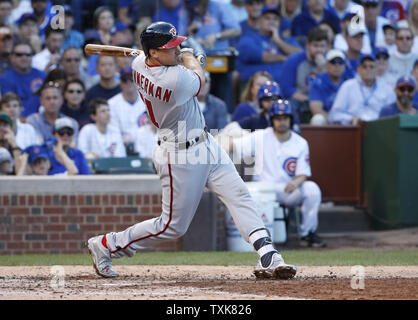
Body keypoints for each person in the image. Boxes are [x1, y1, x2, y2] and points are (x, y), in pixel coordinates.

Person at [86, 21, 297, 280]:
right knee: (171, 227)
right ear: (154, 53)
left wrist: (178, 54)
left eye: (177, 45)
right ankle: (107, 245)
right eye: (171, 47)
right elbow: (201, 77)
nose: (177, 49)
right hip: (179, 155)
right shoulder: (173, 80)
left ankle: (268, 254)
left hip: (205, 142)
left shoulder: (139, 63)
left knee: (239, 193)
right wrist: (191, 57)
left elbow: (163, 59)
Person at [231, 100, 326, 247]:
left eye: (285, 118)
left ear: (291, 119)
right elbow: (234, 147)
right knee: (251, 192)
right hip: (262, 189)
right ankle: (255, 239)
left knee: (312, 189)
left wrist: (295, 182)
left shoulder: (300, 142)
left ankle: (308, 233)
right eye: (278, 118)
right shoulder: (260, 136)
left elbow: (303, 173)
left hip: (286, 189)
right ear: (272, 120)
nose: (281, 122)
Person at [236, 6, 302, 83]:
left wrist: (278, 41)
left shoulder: (287, 40)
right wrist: (284, 58)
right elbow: (256, 55)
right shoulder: (248, 38)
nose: (272, 21)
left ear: (279, 23)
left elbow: (300, 55)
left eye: (275, 19)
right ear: (259, 21)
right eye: (267, 18)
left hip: (284, 84)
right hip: (256, 84)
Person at [277, 27, 328, 123]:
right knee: (290, 105)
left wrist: (323, 69)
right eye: (315, 46)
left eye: (322, 46)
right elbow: (287, 89)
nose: (319, 50)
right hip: (300, 99)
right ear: (308, 45)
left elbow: (330, 88)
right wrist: (311, 100)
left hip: (321, 101)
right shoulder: (293, 60)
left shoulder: (330, 63)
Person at [328, 54, 396, 124]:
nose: (368, 70)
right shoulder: (348, 86)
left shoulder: (387, 89)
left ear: (376, 69)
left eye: (371, 67)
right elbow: (334, 115)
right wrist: (351, 119)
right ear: (358, 69)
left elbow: (393, 116)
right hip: (354, 127)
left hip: (379, 128)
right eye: (364, 67)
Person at [0, 42, 46, 118]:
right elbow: (10, 105)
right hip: (19, 120)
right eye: (19, 55)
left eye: (28, 54)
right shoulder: (4, 79)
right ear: (11, 57)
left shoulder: (43, 75)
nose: (24, 58)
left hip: (42, 120)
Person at [108, 67, 146, 147]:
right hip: (123, 146)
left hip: (146, 145)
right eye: (125, 80)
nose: (128, 83)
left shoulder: (149, 101)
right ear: (120, 83)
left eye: (132, 79)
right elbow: (113, 132)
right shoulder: (111, 104)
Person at [309, 49, 347, 125]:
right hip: (328, 119)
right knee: (318, 119)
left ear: (344, 66)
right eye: (333, 62)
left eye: (340, 63)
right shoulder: (318, 82)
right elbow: (316, 109)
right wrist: (335, 121)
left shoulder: (349, 81)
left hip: (346, 118)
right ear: (327, 65)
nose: (337, 66)